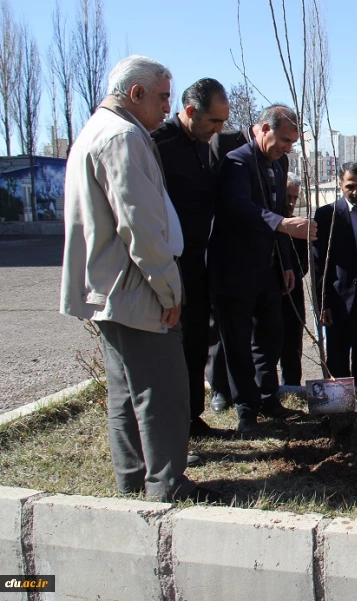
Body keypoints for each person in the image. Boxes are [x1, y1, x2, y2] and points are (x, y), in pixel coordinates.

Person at [60, 55, 219, 502]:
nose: (168, 107)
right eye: (164, 96)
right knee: (162, 391)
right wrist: (169, 288)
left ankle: (132, 478)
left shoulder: (95, 131)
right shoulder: (124, 137)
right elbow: (141, 227)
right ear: (137, 94)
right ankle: (167, 483)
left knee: (125, 392)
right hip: (138, 289)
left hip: (112, 289)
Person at [207, 106, 318, 436]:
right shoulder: (236, 162)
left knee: (271, 337)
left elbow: (275, 211)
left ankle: (270, 399)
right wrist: (284, 225)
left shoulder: (280, 163)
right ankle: (246, 409)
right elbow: (241, 209)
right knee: (238, 342)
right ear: (263, 129)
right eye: (284, 140)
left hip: (269, 270)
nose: (288, 148)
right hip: (235, 270)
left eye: (292, 143)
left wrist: (285, 262)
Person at [151, 78, 230, 438]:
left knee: (198, 339)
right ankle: (169, 426)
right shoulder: (158, 145)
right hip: (169, 262)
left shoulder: (204, 146)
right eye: (214, 121)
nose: (218, 129)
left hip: (200, 261)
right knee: (170, 348)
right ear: (190, 111)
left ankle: (192, 416)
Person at [312, 162, 357, 390]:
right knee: (337, 362)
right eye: (350, 186)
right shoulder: (327, 216)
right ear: (340, 185)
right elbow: (318, 264)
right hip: (339, 302)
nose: (356, 191)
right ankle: (340, 414)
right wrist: (322, 303)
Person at [280, 171, 309, 386]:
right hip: (270, 296)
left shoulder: (298, 227)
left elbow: (304, 265)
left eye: (294, 198)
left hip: (294, 297)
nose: (290, 203)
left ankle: (292, 386)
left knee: (292, 347)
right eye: (286, 197)